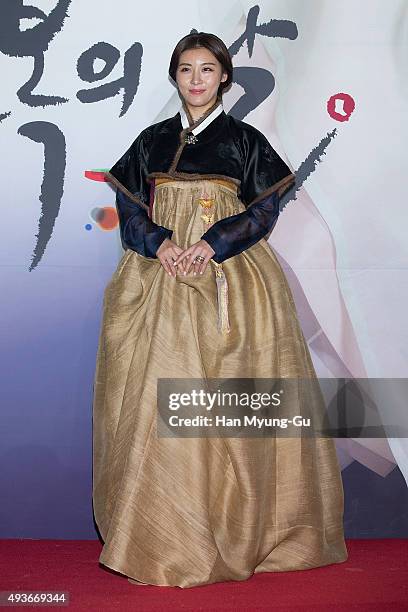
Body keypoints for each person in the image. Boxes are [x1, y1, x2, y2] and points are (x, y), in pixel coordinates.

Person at [92, 32, 348, 589]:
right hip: (157, 279)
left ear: (225, 77)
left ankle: (245, 531)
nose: (197, 80)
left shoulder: (246, 141)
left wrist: (212, 243)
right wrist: (160, 243)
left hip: (232, 278)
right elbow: (130, 208)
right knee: (151, 399)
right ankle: (157, 538)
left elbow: (264, 209)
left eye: (208, 69)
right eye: (187, 69)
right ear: (175, 76)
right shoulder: (151, 140)